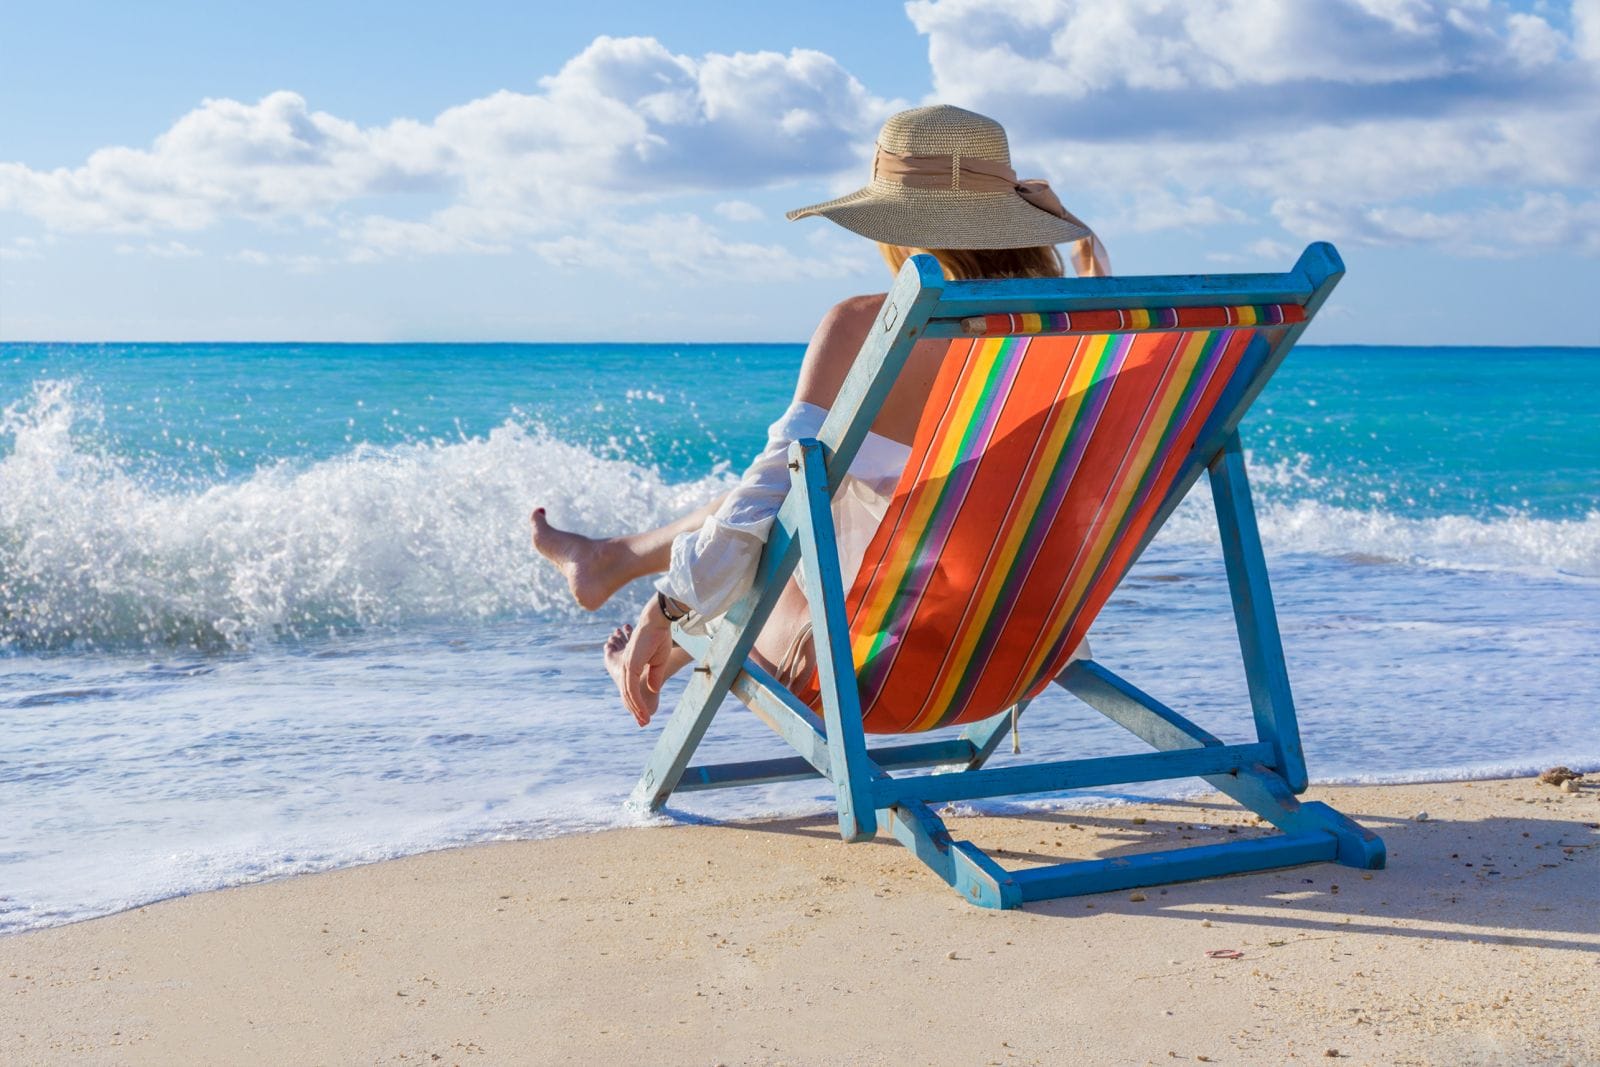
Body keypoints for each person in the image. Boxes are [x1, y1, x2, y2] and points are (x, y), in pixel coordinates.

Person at [530, 104, 1110, 727]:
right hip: (1026, 654)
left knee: (782, 499)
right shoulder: (1090, 336)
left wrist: (665, 609)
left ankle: (627, 581)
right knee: (814, 486)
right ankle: (614, 562)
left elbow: (766, 498)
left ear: (893, 223)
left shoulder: (867, 326)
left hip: (877, 676)